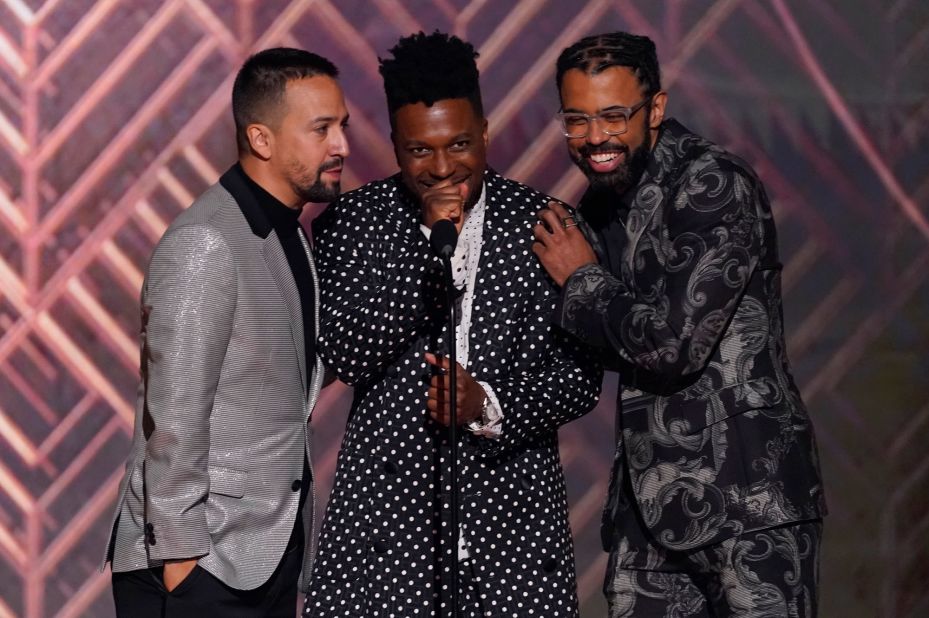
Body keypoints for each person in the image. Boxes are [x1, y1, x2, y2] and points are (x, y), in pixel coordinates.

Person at [304, 32, 600, 618]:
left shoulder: (544, 224)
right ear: (394, 144)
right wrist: (422, 269)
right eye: (419, 151)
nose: (442, 168)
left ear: (486, 132)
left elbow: (579, 378)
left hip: (513, 533)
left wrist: (485, 405)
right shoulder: (353, 223)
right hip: (385, 533)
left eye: (460, 144)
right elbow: (342, 355)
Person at [533, 32, 826, 617]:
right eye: (577, 119)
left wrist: (582, 279)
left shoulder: (714, 185)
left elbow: (672, 344)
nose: (595, 138)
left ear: (657, 109)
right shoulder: (598, 207)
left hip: (748, 498)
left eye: (614, 116)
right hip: (647, 512)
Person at [102, 47, 349, 616]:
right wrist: (183, 565)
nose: (341, 146)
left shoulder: (288, 232)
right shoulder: (206, 241)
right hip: (202, 563)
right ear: (261, 139)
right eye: (321, 130)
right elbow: (173, 421)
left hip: (261, 553)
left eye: (342, 127)